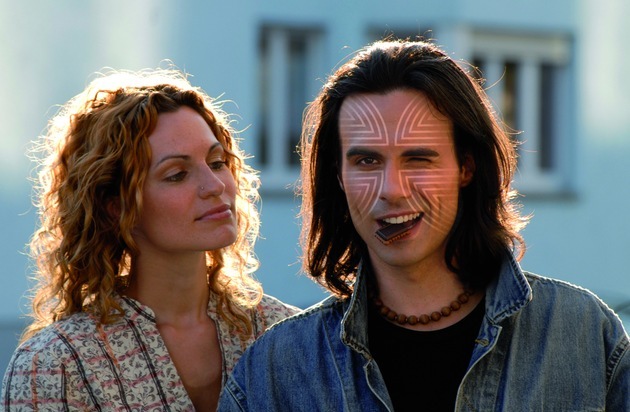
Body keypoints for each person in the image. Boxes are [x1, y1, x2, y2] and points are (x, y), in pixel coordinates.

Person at [218, 39, 629, 411]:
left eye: (418, 159)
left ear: (466, 167)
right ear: (338, 176)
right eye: (366, 161)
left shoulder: (583, 334)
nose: (391, 190)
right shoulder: (277, 369)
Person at [1, 68, 299, 411]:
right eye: (177, 174)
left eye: (217, 162)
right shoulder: (55, 366)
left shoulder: (287, 337)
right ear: (115, 206)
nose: (216, 186)